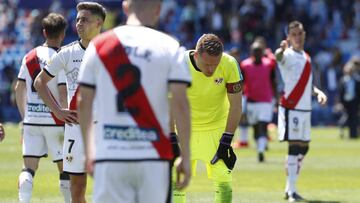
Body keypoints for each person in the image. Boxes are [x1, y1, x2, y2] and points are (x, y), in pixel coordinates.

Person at [77, 0, 191, 202]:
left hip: (110, 154)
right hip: (154, 156)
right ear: (158, 9)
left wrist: (88, 152)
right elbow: (180, 104)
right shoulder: (169, 46)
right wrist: (186, 156)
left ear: (125, 7)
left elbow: (84, 102)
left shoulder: (99, 46)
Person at [34, 3, 106, 203]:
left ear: (99, 22)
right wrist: (57, 111)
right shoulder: (67, 53)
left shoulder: (112, 52)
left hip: (105, 127)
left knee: (108, 186)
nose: (79, 23)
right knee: (77, 187)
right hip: (75, 128)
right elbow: (39, 82)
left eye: (85, 19)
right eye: (77, 19)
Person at [172, 33, 243, 203]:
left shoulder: (229, 63)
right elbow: (169, 104)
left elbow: (236, 106)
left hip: (216, 128)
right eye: (207, 64)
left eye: (215, 64)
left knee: (223, 182)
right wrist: (171, 139)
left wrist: (227, 139)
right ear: (196, 55)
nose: (211, 70)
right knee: (176, 181)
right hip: (183, 128)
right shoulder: (178, 63)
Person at [13, 13, 70, 203]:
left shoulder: (29, 57)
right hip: (56, 121)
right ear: (62, 34)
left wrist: (25, 116)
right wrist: (65, 116)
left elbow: (18, 88)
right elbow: (62, 92)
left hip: (32, 121)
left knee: (28, 168)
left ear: (44, 32)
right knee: (65, 169)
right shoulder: (60, 57)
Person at [275, 21, 327, 202]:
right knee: (294, 145)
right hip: (292, 107)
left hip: (305, 108)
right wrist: (281, 50)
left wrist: (318, 92)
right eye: (294, 34)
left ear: (304, 34)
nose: (298, 36)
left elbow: (307, 83)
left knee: (304, 148)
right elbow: (278, 57)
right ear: (289, 37)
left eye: (300, 33)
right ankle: (291, 192)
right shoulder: (287, 55)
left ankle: (289, 186)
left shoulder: (306, 57)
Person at [239, 40, 276, 162]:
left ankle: (260, 151)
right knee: (255, 128)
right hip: (251, 101)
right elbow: (241, 84)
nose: (257, 54)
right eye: (255, 52)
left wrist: (276, 99)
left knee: (262, 125)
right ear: (251, 53)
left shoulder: (269, 64)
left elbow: (273, 81)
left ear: (262, 52)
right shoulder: (245, 65)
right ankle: (260, 145)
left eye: (259, 51)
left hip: (265, 101)